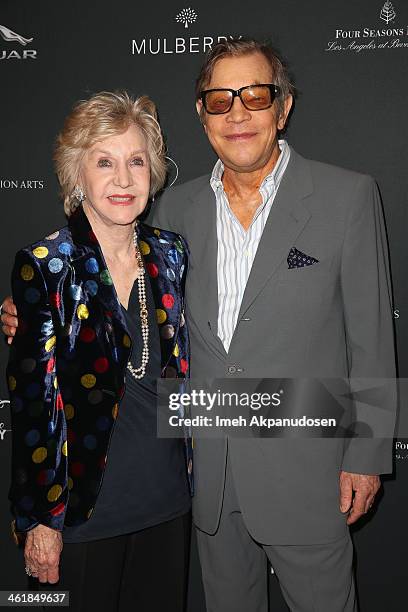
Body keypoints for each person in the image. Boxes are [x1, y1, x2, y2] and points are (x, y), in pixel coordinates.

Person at [2, 40, 396, 612]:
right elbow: (99, 260)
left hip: (305, 474)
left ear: (282, 109)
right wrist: (32, 308)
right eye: (219, 100)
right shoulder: (174, 213)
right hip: (204, 482)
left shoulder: (347, 197)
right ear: (201, 114)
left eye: (255, 95)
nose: (237, 113)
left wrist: (367, 453)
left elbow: (371, 336)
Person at [3, 91, 192, 612]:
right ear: (76, 175)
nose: (124, 179)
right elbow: (33, 406)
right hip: (86, 516)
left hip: (169, 502)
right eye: (104, 162)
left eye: (136, 161)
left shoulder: (172, 254)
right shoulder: (47, 265)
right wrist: (40, 519)